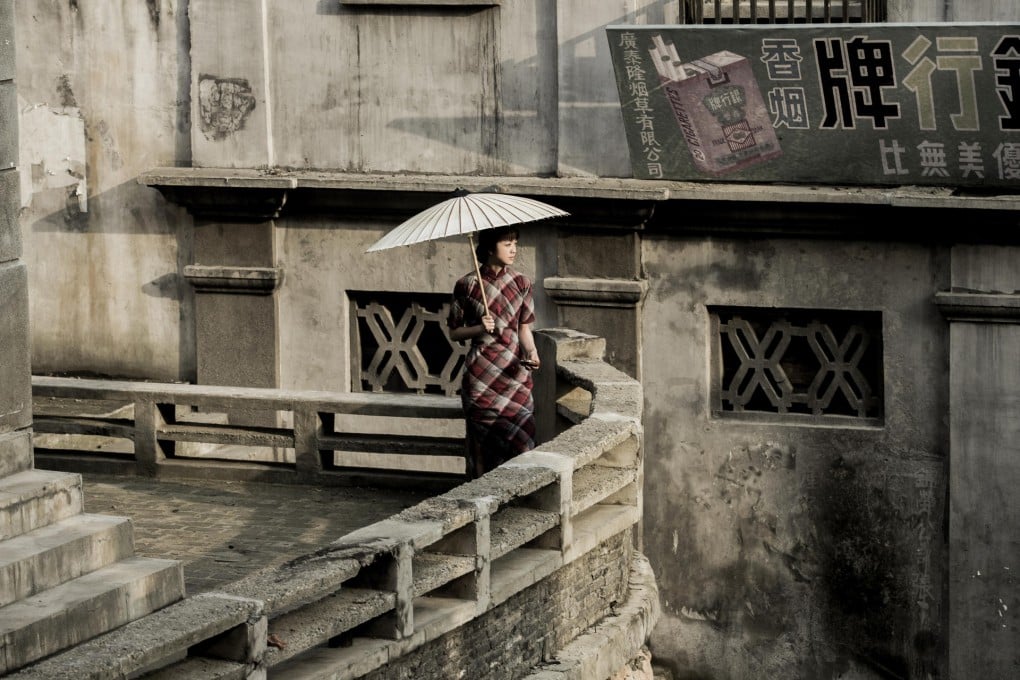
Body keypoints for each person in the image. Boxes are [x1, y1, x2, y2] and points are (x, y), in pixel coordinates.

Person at [447, 226, 541, 479]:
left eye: (515, 243)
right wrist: (479, 327)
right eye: (507, 243)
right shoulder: (466, 285)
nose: (513, 249)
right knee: (483, 450)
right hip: (481, 378)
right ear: (490, 248)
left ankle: (519, 503)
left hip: (515, 376)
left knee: (523, 444)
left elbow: (524, 329)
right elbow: (454, 332)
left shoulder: (522, 283)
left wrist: (531, 352)